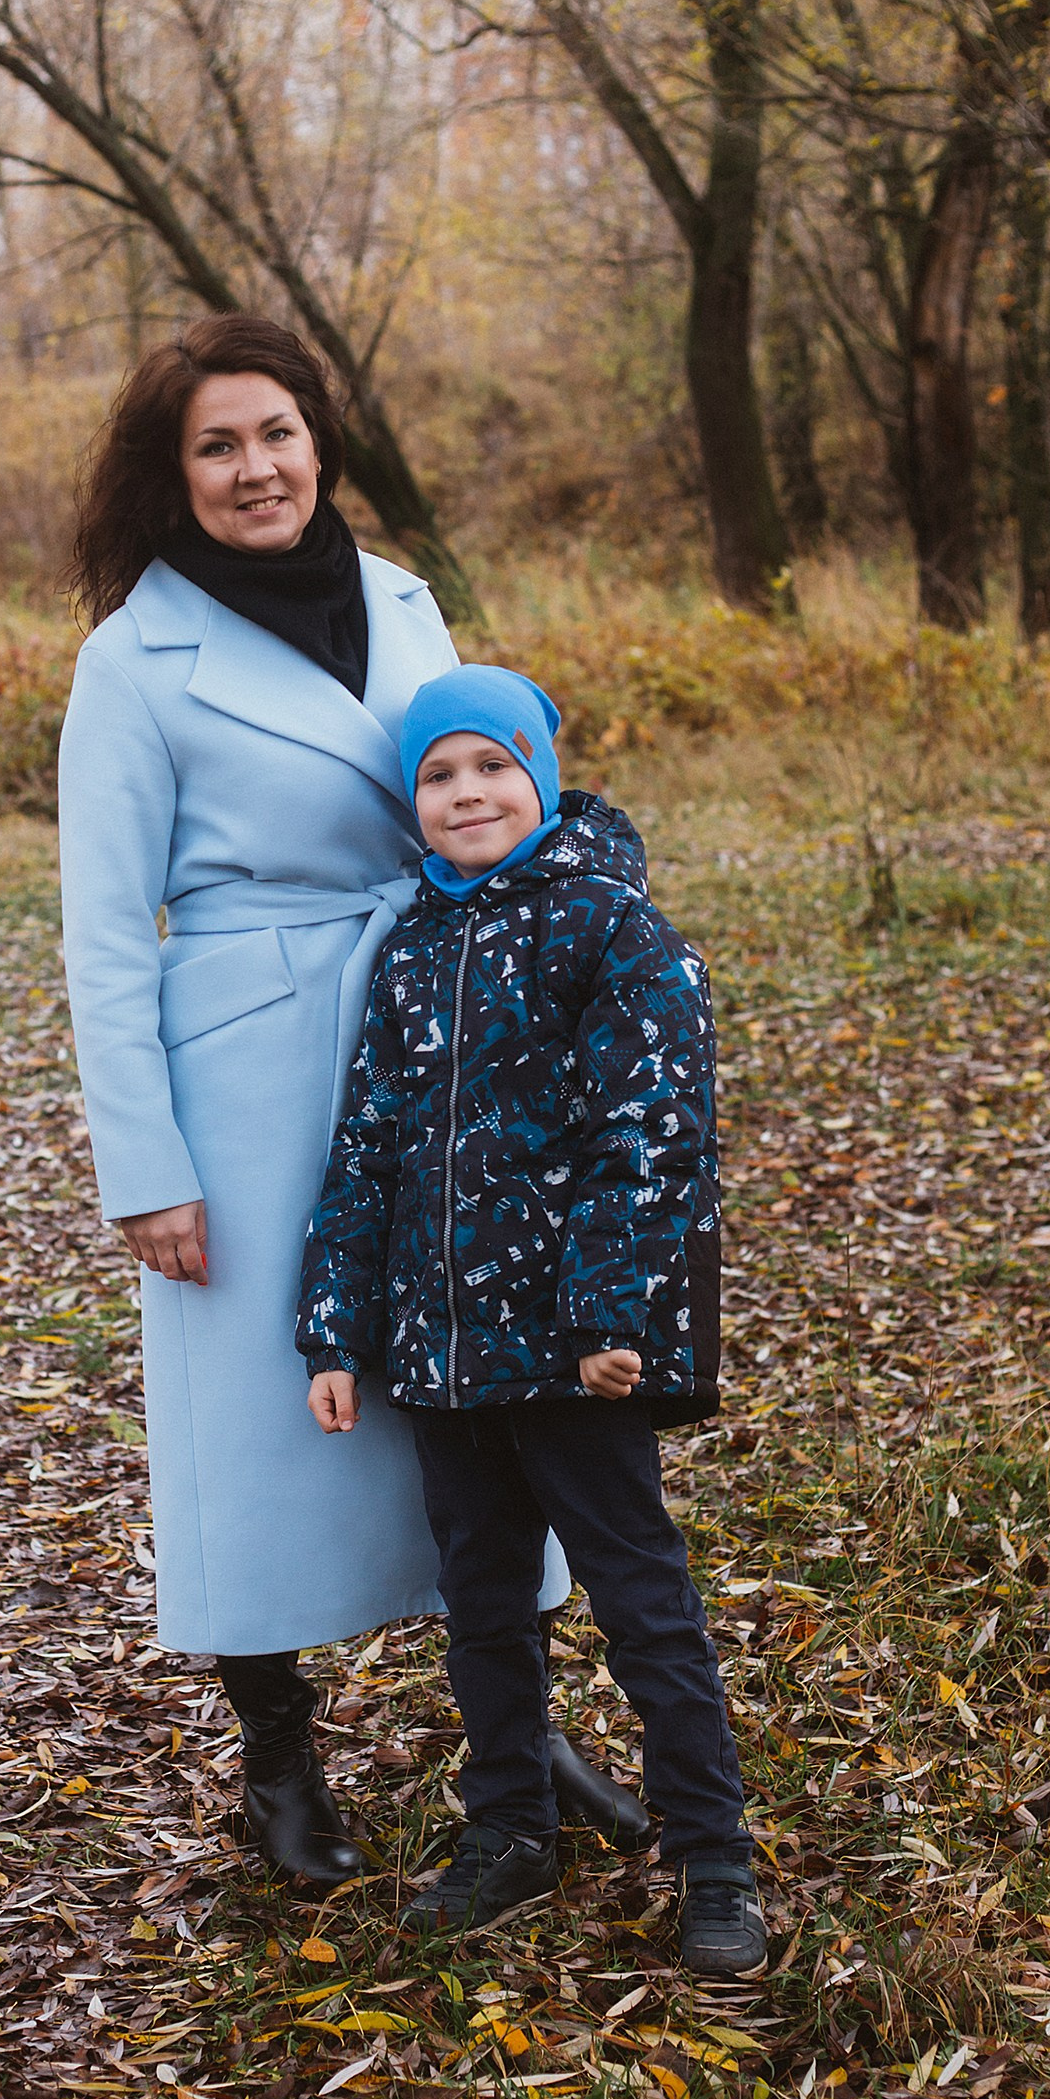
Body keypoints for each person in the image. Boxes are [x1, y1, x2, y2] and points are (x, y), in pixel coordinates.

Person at [58, 322, 605, 1894]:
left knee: (487, 1375)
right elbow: (103, 932)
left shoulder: (405, 598)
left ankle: (523, 1734)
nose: (258, 469)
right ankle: (279, 1753)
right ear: (173, 479)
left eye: (279, 434)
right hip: (249, 1066)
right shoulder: (131, 658)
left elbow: (488, 791)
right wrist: (141, 1166)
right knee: (255, 1419)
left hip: (446, 1038)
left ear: (323, 442)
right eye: (219, 446)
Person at [296, 663, 766, 1976]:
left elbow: (656, 1133)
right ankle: (508, 1825)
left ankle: (713, 1859)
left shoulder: (612, 927)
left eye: (491, 766)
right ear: (411, 802)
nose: (466, 793)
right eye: (437, 776)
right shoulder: (412, 951)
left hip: (574, 1355)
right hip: (445, 1357)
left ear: (541, 774)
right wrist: (336, 1329)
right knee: (481, 1602)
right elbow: (368, 1153)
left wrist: (613, 1310)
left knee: (641, 1601)